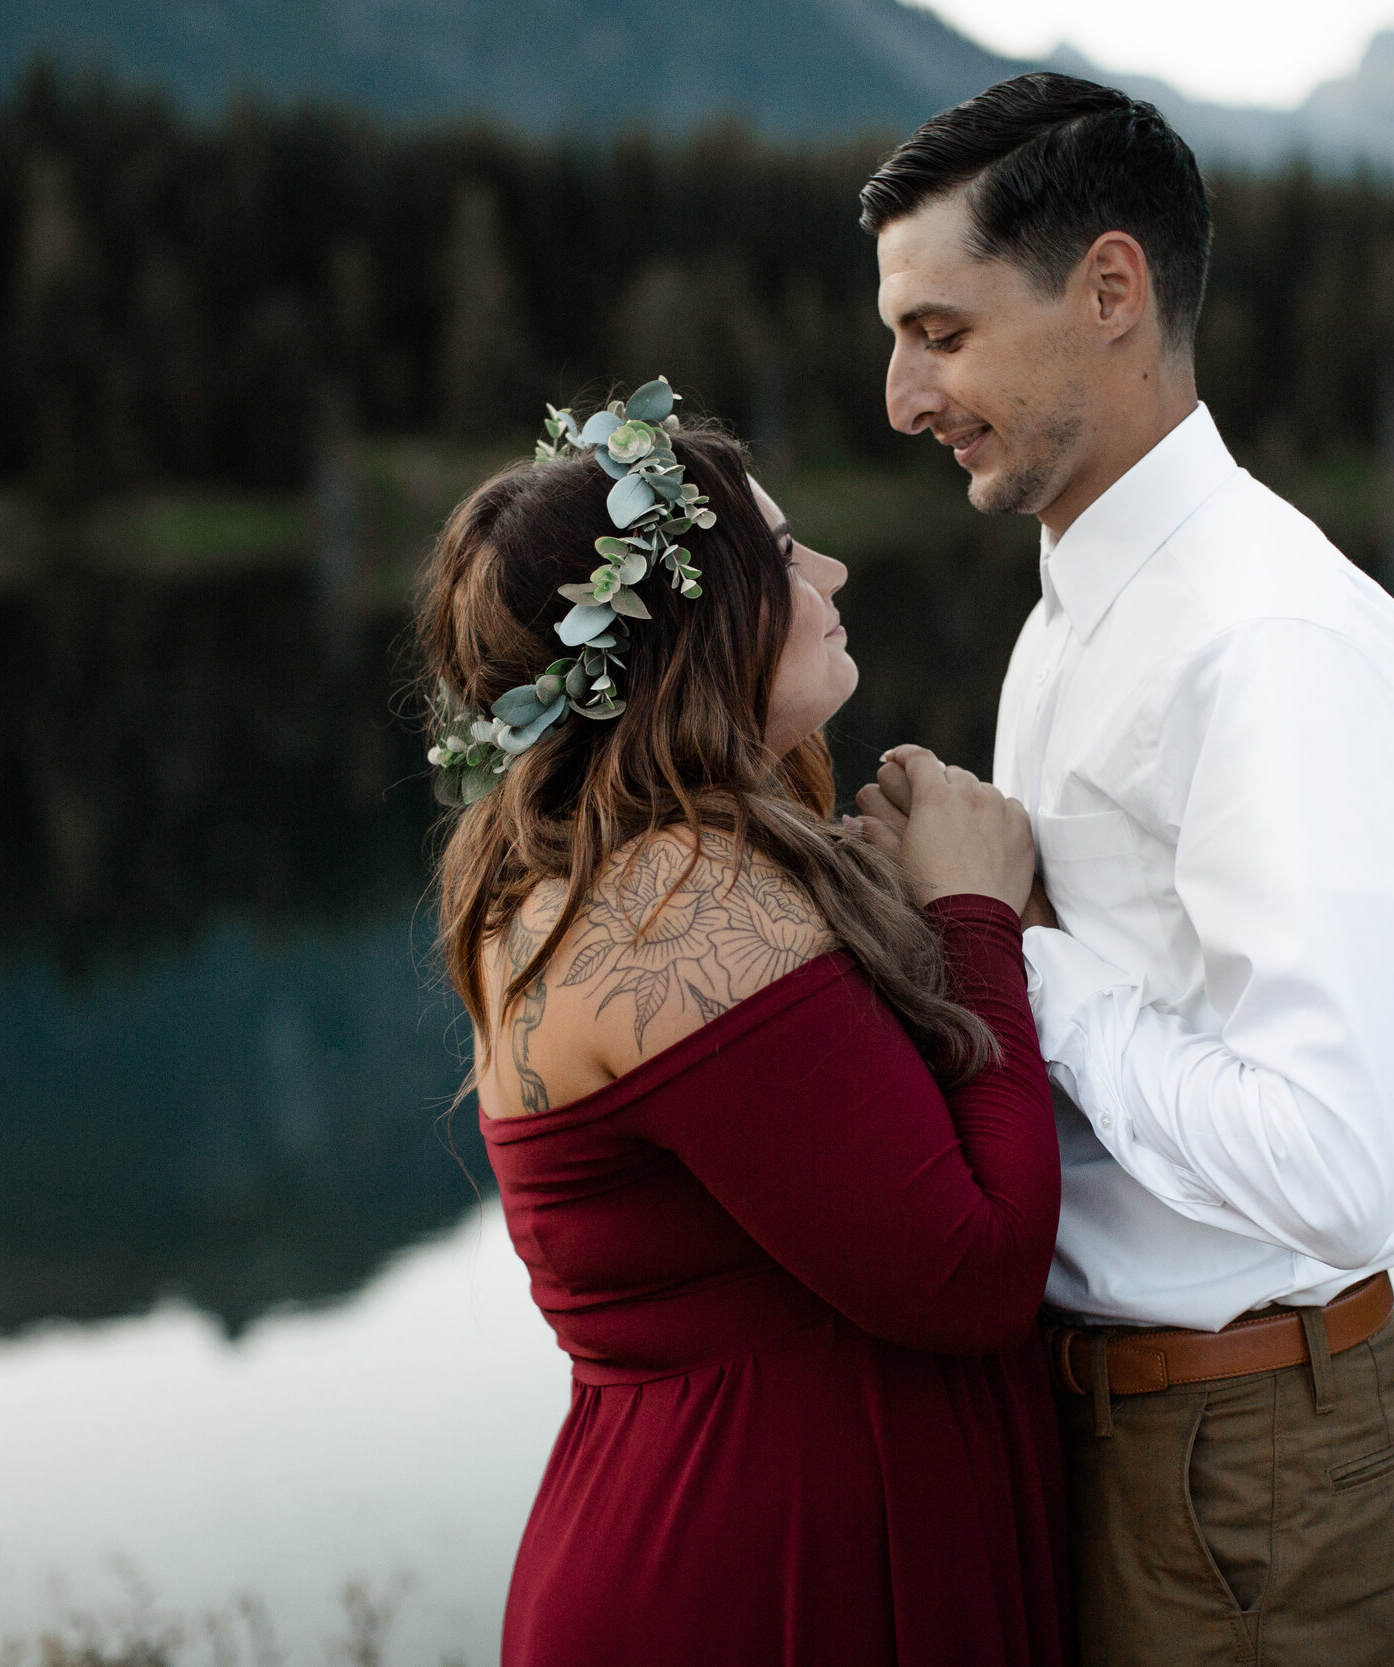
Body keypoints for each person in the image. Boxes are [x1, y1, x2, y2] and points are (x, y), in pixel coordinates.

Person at [848, 75, 1394, 1667]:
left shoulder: (1272, 642)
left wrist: (1008, 941)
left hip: (1245, 1460)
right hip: (1117, 1419)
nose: (903, 395)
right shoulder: (1078, 599)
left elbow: (1338, 1166)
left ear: (1110, 290)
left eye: (942, 332)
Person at [413, 386, 1071, 1666]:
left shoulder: (629, 868)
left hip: (757, 1534)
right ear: (688, 632)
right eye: (777, 556)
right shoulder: (669, 903)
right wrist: (977, 918)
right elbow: (972, 1266)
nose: (826, 569)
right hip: (754, 1579)